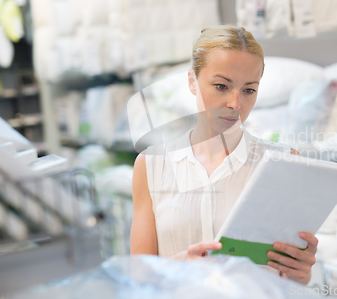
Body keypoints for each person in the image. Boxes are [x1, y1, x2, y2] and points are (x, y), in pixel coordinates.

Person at [131, 25, 318, 285]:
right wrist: (181, 264)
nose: (235, 103)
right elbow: (138, 276)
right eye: (221, 86)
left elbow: (290, 276)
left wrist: (302, 272)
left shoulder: (283, 163)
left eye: (249, 90)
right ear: (192, 82)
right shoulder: (152, 166)